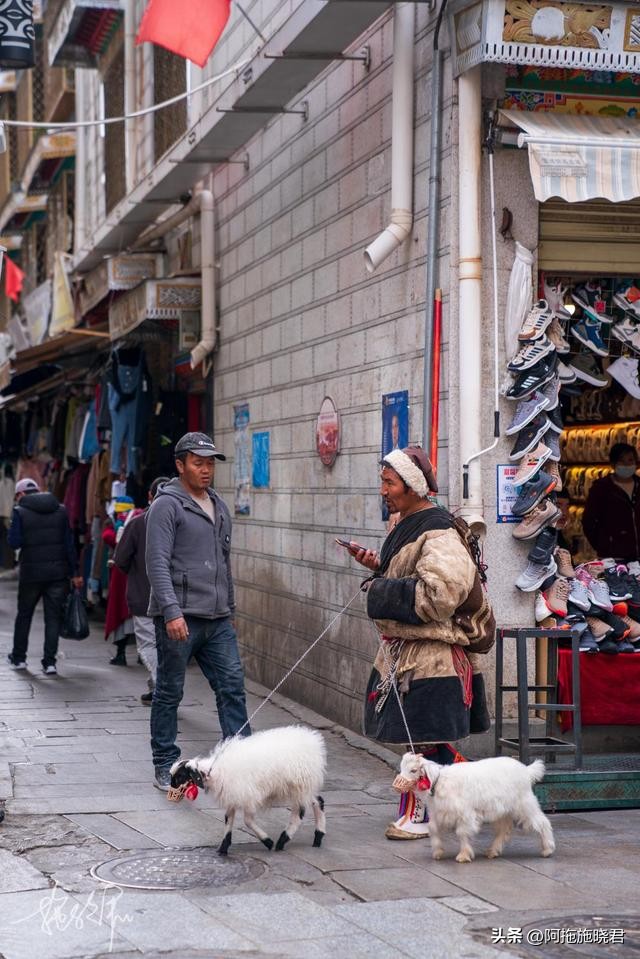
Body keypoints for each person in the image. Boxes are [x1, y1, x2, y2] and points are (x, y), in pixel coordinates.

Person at [348, 446, 490, 839]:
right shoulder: (409, 523)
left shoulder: (440, 532)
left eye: (389, 482)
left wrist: (379, 591)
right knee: (420, 741)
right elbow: (411, 574)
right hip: (408, 656)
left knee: (425, 744)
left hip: (432, 659)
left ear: (412, 486)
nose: (383, 490)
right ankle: (464, 804)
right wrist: (379, 567)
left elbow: (441, 593)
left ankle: (426, 815)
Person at [146, 432, 251, 791]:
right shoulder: (167, 505)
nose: (206, 471)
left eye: (210, 464)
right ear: (180, 465)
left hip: (217, 618)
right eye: (198, 463)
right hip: (180, 617)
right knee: (170, 691)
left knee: (232, 688)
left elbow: (224, 562)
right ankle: (164, 763)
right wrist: (171, 612)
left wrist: (230, 608)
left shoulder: (218, 506)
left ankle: (242, 759)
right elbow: (156, 563)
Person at [7, 478, 83, 675]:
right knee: (53, 618)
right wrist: (75, 573)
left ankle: (19, 658)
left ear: (21, 494)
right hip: (57, 574)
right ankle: (49, 663)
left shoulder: (19, 512)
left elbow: (14, 543)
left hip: (31, 574)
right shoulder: (61, 510)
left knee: (24, 616)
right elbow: (69, 545)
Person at [113, 476, 169, 704]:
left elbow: (121, 560)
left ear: (149, 495)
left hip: (143, 595)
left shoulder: (137, 523)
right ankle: (156, 686)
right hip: (174, 600)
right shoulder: (180, 523)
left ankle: (163, 689)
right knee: (166, 647)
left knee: (148, 645)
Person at [582, 443, 640, 562]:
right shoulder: (602, 488)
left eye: (630, 460)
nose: (627, 465)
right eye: (622, 461)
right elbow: (589, 520)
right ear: (613, 464)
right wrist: (603, 545)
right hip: (614, 556)